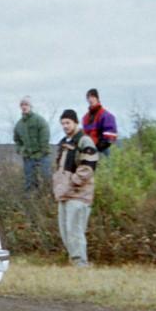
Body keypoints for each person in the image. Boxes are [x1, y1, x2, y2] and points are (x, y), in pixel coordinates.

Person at [53, 109, 99, 267]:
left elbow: (89, 165)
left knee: (75, 231)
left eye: (68, 123)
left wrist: (73, 181)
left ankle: (81, 264)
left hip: (79, 195)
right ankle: (74, 262)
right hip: (64, 194)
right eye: (63, 123)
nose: (65, 126)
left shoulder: (84, 141)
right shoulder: (64, 142)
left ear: (75, 122)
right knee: (65, 232)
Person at [13, 96, 51, 191]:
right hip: (28, 157)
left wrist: (42, 151)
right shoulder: (19, 125)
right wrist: (21, 150)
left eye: (26, 104)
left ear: (30, 106)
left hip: (42, 156)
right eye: (22, 105)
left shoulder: (39, 120)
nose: (24, 107)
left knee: (47, 179)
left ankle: (49, 200)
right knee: (30, 182)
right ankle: (31, 201)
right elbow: (17, 140)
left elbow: (45, 135)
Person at [81, 88, 118, 157]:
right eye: (88, 97)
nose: (90, 99)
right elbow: (85, 134)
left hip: (103, 149)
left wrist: (99, 146)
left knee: (107, 165)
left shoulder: (106, 115)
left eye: (92, 97)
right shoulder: (85, 118)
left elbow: (110, 136)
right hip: (89, 150)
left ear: (97, 98)